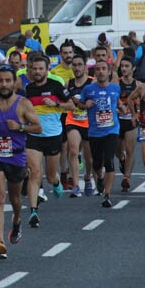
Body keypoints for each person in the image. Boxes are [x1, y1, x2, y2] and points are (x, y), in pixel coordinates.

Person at [0, 66, 41, 258]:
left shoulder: (23, 104)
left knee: (15, 199)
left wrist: (20, 126)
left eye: (8, 81)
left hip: (16, 156)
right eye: (1, 81)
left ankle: (16, 219)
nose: (4, 84)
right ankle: (0, 242)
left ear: (14, 82)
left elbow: (38, 128)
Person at [23, 53, 74, 226]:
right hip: (34, 136)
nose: (37, 71)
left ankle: (57, 182)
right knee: (35, 173)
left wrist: (57, 105)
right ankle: (33, 211)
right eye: (34, 68)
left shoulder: (56, 86)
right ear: (30, 70)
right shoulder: (28, 89)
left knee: (51, 175)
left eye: (40, 69)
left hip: (53, 135)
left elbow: (72, 105)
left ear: (47, 70)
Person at [77, 59, 122, 207]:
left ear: (109, 72)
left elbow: (118, 102)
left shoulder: (115, 88)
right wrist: (85, 105)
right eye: (98, 69)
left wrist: (123, 108)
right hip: (95, 132)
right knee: (97, 163)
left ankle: (107, 195)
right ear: (94, 72)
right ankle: (100, 177)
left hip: (111, 130)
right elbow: (80, 105)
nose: (101, 71)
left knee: (109, 160)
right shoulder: (88, 90)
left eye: (104, 69)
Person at [64, 52, 94, 197]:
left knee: (89, 158)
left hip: (89, 122)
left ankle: (88, 177)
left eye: (79, 65)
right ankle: (76, 185)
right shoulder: (68, 84)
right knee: (74, 151)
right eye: (74, 65)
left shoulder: (92, 82)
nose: (76, 68)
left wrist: (85, 104)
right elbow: (64, 101)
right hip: (72, 120)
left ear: (85, 66)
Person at [115, 57, 142, 193]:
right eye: (122, 66)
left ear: (133, 68)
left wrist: (137, 113)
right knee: (117, 149)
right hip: (117, 120)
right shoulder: (116, 83)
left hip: (131, 121)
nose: (124, 69)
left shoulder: (138, 85)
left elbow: (144, 103)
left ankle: (126, 178)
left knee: (130, 149)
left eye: (127, 66)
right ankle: (121, 158)